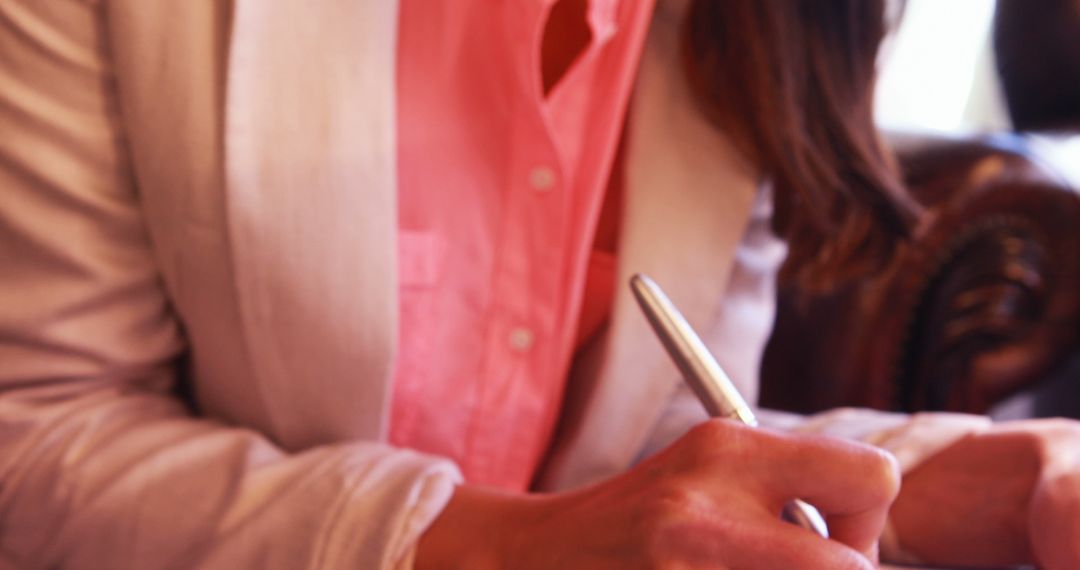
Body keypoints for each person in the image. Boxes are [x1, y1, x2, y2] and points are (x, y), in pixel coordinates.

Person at [0, 1, 1077, 569]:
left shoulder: (770, 20)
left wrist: (947, 479)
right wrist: (506, 549)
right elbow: (33, 436)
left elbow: (659, 452)